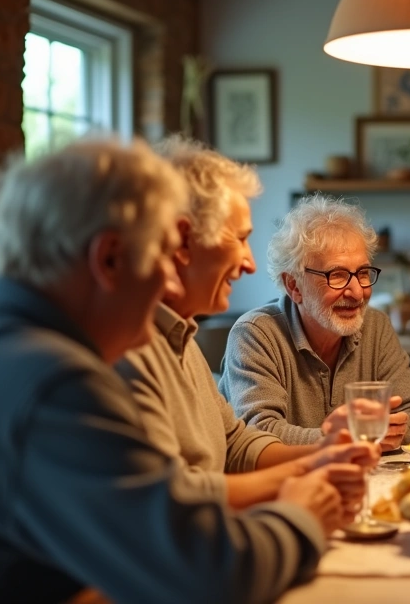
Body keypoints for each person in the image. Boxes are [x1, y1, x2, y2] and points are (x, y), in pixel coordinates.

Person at [0, 139, 344, 603]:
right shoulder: (54, 383)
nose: (169, 281)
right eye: (161, 257)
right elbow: (207, 575)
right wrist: (300, 516)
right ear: (108, 259)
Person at [116, 136, 378, 513]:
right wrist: (297, 506)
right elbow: (172, 502)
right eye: (240, 239)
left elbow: (236, 443)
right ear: (182, 240)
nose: (250, 263)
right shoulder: (126, 350)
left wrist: (322, 455)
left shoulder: (182, 336)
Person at [220, 194, 410, 447]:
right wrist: (342, 438)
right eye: (337, 275)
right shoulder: (256, 335)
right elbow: (258, 432)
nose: (357, 292)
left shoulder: (375, 327)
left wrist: (389, 431)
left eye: (363, 273)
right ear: (294, 285)